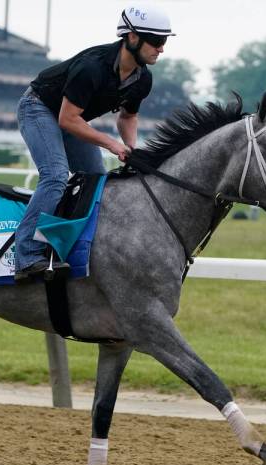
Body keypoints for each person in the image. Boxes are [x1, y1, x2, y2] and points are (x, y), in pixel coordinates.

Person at [14, 4, 175, 282]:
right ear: (133, 38)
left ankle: (65, 245)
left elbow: (128, 117)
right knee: (55, 176)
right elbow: (67, 119)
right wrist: (112, 145)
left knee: (96, 180)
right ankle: (26, 255)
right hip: (38, 108)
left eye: (164, 42)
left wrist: (132, 149)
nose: (161, 49)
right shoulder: (92, 67)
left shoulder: (142, 79)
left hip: (69, 116)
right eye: (157, 41)